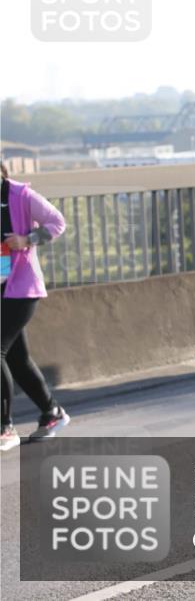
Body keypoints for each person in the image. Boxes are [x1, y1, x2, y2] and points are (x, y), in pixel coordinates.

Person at [1, 161, 70, 452]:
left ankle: (5, 428)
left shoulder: (20, 195)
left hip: (22, 288)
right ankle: (52, 412)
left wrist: (27, 239)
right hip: (1, 289)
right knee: (17, 359)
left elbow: (57, 222)